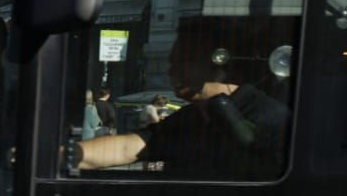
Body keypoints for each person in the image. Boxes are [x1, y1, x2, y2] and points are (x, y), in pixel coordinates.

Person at [75, 40, 288, 180]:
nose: (172, 71)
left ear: (217, 63)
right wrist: (67, 155)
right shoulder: (189, 117)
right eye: (172, 63)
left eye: (182, 62)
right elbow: (127, 147)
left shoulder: (269, 117)